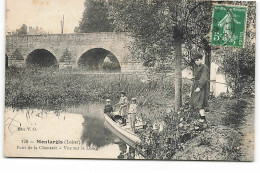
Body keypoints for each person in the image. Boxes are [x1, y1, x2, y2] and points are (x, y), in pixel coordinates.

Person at [190, 53, 209, 123]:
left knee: (200, 102)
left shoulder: (204, 67)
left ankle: (203, 119)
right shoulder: (198, 67)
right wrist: (194, 78)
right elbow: (198, 76)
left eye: (198, 60)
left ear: (201, 59)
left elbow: (203, 78)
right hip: (196, 85)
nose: (196, 62)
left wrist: (199, 87)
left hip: (201, 87)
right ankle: (199, 118)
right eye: (195, 61)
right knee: (195, 101)